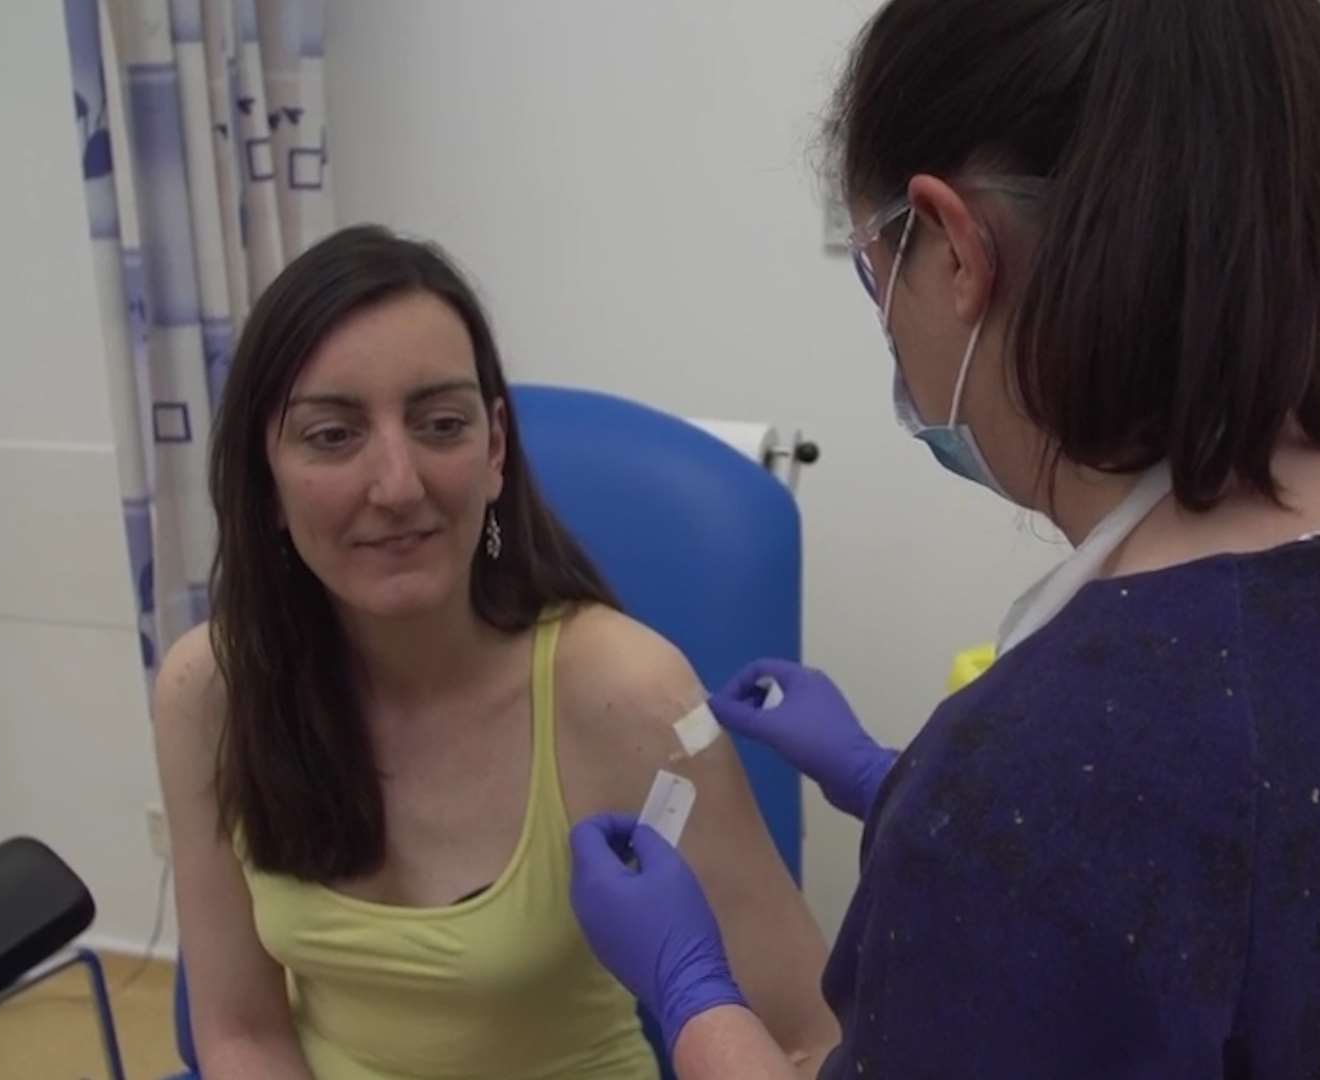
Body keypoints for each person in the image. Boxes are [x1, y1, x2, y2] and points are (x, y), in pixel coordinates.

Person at [566, 1, 1320, 1077]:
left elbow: (1149, 846)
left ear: (955, 248)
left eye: (876, 270)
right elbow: (1301, 899)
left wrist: (691, 991)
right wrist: (896, 785)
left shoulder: (1029, 796)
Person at [152, 225, 839, 1079]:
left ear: (495, 449)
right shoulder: (211, 690)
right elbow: (242, 1033)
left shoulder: (624, 696)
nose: (398, 485)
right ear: (267, 475)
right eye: (333, 436)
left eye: (441, 425)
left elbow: (813, 1039)